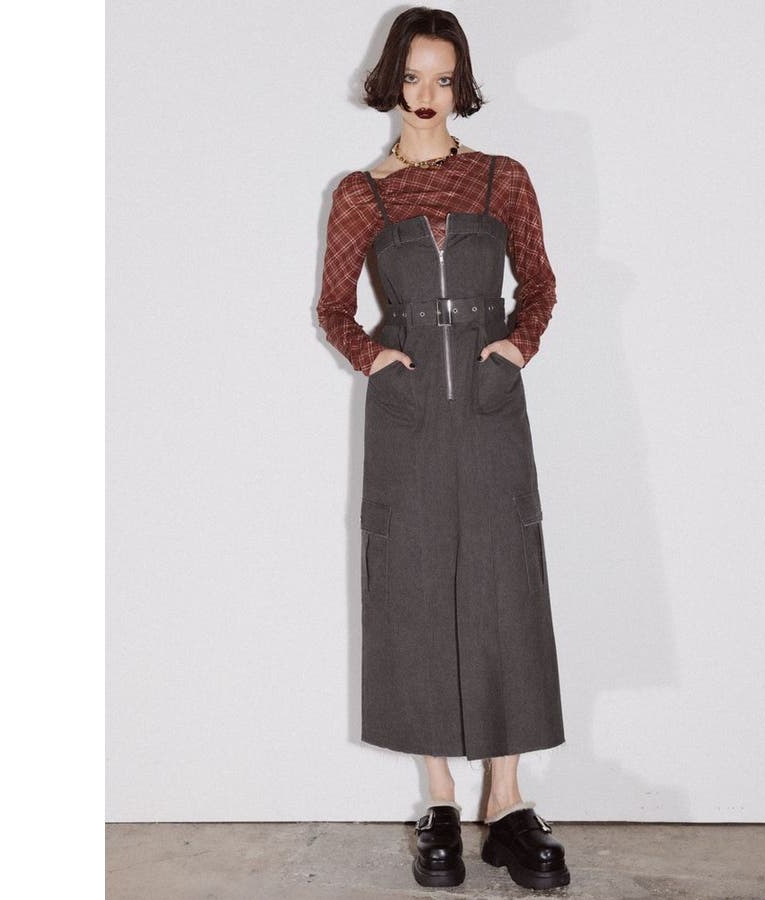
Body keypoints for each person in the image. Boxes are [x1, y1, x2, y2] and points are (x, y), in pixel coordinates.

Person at [316, 7, 570, 891]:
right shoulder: (363, 193)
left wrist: (515, 348)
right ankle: (439, 800)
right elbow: (333, 308)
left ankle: (507, 800)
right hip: (410, 410)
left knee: (505, 579)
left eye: (445, 78)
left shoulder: (503, 178)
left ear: (462, 85)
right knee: (416, 582)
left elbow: (539, 283)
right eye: (414, 76)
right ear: (392, 79)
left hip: (492, 407)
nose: (428, 94)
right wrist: (373, 359)